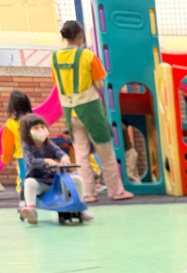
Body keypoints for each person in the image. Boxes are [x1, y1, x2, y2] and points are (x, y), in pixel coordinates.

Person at [51, 20, 132, 203]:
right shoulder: (87, 55)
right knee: (105, 151)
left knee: (81, 154)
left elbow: (57, 82)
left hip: (70, 111)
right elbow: (99, 84)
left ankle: (87, 193)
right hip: (90, 109)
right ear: (80, 35)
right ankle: (116, 191)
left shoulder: (55, 58)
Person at [18, 113, 90, 225]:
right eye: (36, 128)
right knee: (29, 182)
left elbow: (59, 153)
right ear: (28, 132)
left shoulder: (49, 144)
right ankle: (31, 210)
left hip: (53, 182)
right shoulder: (27, 146)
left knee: (77, 179)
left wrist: (64, 157)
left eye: (43, 127)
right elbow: (30, 161)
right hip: (39, 183)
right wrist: (45, 161)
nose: (41, 130)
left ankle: (79, 208)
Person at [0, 90, 33, 198]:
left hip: (22, 155)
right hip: (36, 153)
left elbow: (7, 143)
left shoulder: (11, 124)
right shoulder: (33, 120)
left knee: (23, 175)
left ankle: (24, 194)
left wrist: (6, 157)